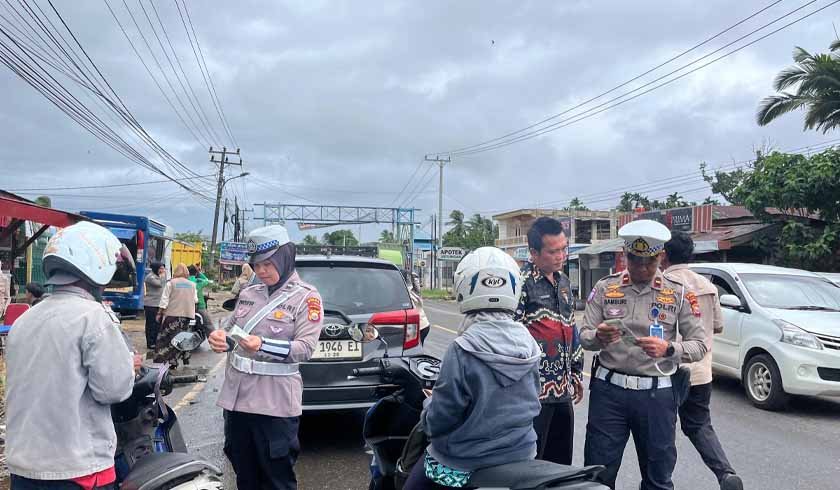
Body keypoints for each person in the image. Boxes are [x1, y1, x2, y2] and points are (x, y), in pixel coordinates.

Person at [5, 221, 138, 489]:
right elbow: (113, 390)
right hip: (78, 469)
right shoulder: (94, 318)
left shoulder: (26, 319)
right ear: (96, 264)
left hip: (24, 467)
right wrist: (130, 366)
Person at [580, 219, 708, 490]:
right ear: (624, 256)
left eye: (649, 262)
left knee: (658, 478)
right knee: (597, 475)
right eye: (635, 260)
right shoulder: (605, 288)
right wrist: (598, 337)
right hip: (609, 394)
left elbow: (699, 345)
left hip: (656, 396)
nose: (641, 268)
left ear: (661, 257)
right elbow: (584, 336)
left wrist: (670, 349)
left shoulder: (678, 293)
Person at [404, 247, 542, 490]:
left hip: (464, 461)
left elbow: (440, 420)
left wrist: (428, 407)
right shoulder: (529, 343)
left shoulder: (463, 348)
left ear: (463, 287)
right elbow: (532, 400)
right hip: (521, 455)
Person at [208, 225, 323, 489]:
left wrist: (262, 344)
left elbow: (305, 348)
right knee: (244, 475)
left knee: (276, 479)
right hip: (237, 402)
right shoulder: (249, 294)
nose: (261, 271)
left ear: (284, 257)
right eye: (256, 265)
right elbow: (231, 332)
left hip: (274, 405)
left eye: (268, 264)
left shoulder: (307, 297)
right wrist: (221, 340)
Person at [662, 231, 743, 490]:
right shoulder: (708, 286)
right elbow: (716, 326)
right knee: (699, 425)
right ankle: (725, 473)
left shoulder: (661, 283)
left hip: (667, 370)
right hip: (701, 371)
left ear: (663, 255)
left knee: (663, 430)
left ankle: (661, 482)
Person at [514, 217, 584, 465]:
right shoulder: (520, 284)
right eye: (553, 251)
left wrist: (576, 371)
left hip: (562, 392)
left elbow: (570, 327)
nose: (560, 256)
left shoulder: (564, 282)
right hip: (533, 396)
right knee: (533, 464)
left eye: (564, 249)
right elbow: (511, 336)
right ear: (534, 253)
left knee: (560, 463)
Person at [154, 263, 197, 365]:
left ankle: (171, 360)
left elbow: (164, 300)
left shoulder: (171, 283)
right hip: (187, 317)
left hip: (172, 316)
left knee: (167, 339)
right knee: (184, 338)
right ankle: (185, 357)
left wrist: (159, 313)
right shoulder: (192, 284)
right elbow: (195, 300)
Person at [143, 261, 166, 349]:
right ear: (156, 268)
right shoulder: (150, 277)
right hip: (150, 304)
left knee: (158, 324)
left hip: (158, 304)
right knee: (151, 324)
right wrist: (163, 276)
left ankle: (156, 341)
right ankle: (150, 343)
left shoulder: (157, 276)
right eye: (161, 268)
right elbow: (159, 284)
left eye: (163, 268)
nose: (163, 270)